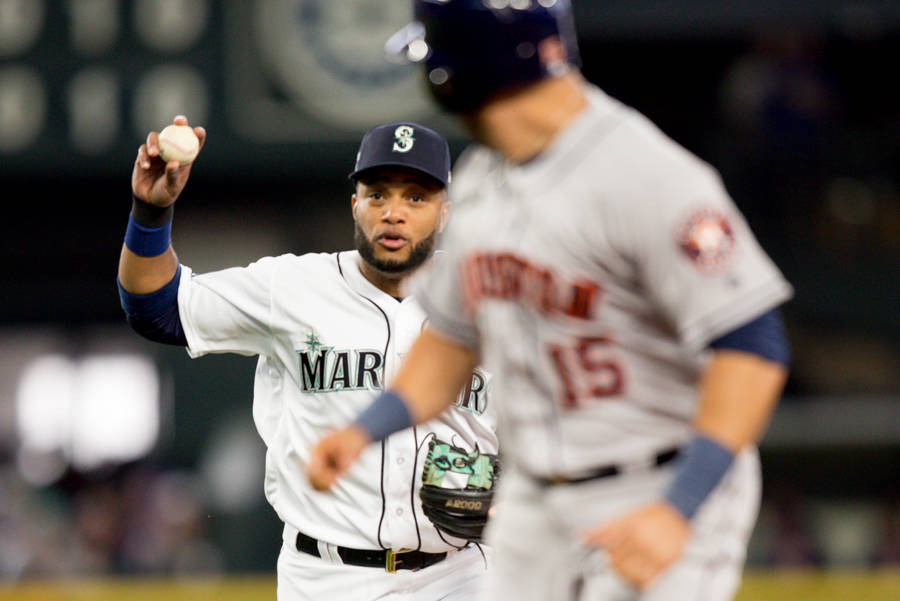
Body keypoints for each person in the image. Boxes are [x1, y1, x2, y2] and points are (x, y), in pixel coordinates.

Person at [308, 2, 793, 600]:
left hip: (662, 482)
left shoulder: (647, 176)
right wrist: (362, 431)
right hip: (534, 497)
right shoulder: (486, 179)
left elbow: (753, 348)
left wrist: (678, 508)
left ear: (464, 70)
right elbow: (453, 340)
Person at [117, 116, 498, 600]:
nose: (393, 213)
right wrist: (151, 213)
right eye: (378, 194)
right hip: (325, 577)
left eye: (416, 197)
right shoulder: (293, 287)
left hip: (460, 576)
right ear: (354, 203)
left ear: (445, 212)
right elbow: (156, 309)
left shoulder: (493, 295)